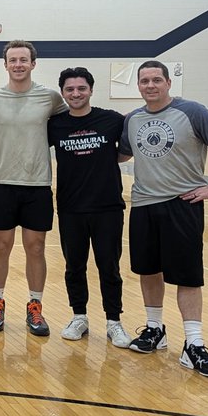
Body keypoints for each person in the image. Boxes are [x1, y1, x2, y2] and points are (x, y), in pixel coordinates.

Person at [119, 61, 208, 377]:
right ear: (138, 86)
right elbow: (122, 154)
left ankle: (194, 344)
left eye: (156, 80)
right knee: (148, 270)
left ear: (168, 83)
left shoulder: (193, 111)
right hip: (144, 204)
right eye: (144, 81)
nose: (150, 85)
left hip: (182, 204)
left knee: (188, 276)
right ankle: (154, 329)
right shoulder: (132, 119)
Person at [0, 40, 68, 335]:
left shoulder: (50, 98)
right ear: (5, 64)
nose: (18, 65)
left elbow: (64, 126)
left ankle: (35, 307)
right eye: (13, 60)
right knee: (0, 245)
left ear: (33, 63)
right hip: (2, 182)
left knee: (36, 247)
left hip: (38, 184)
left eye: (23, 60)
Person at [47, 67, 132, 347]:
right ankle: (79, 316)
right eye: (70, 89)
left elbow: (126, 151)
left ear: (91, 90)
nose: (76, 93)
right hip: (71, 207)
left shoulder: (112, 120)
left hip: (107, 206)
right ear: (63, 93)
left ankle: (114, 321)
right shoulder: (55, 124)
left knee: (109, 267)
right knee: (74, 266)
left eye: (81, 88)